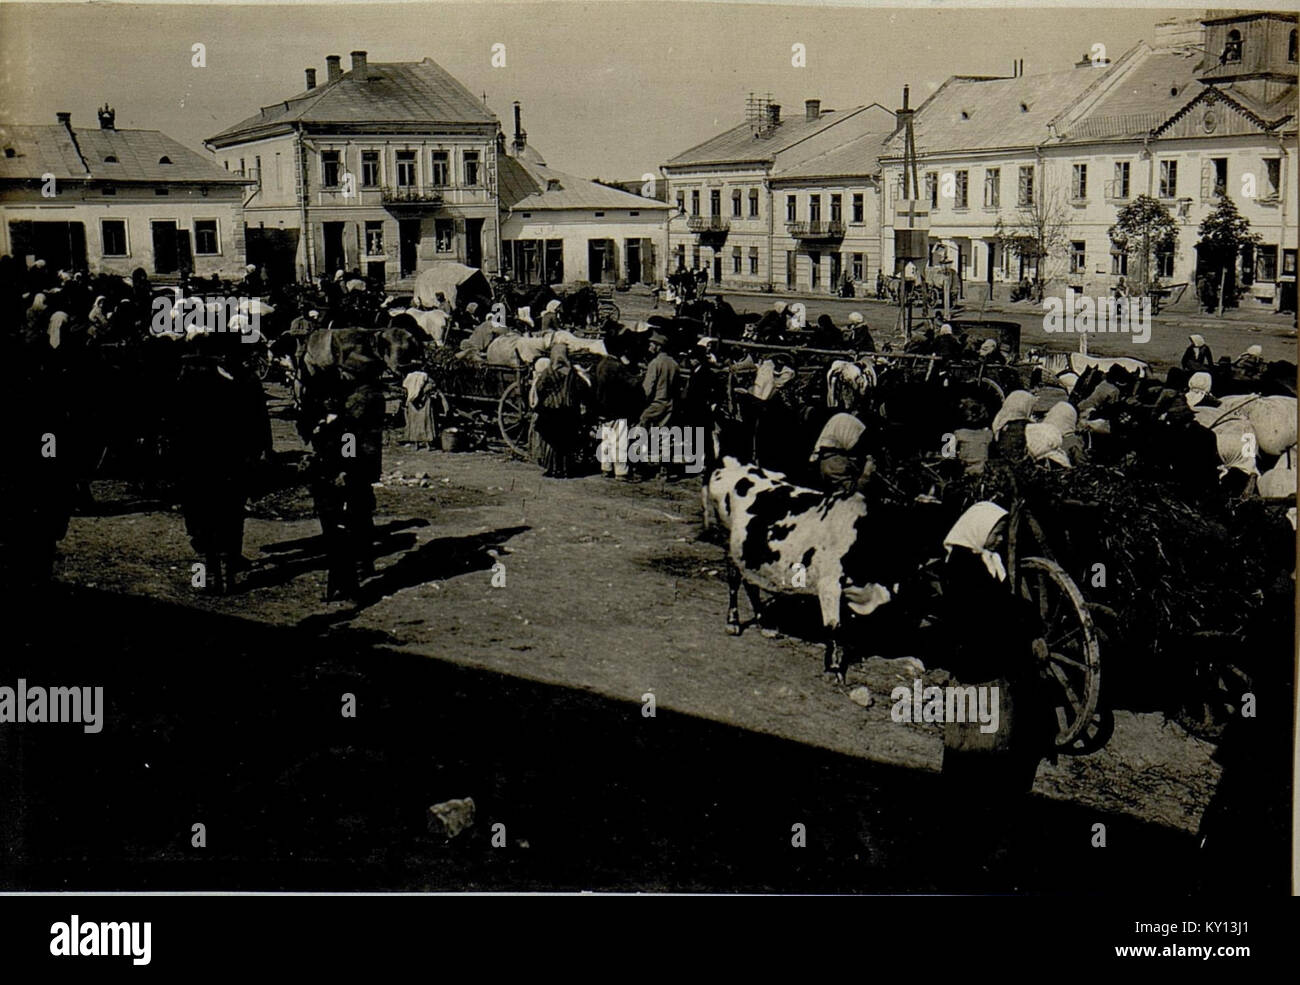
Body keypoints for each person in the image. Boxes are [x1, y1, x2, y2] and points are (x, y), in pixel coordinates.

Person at [306, 351, 386, 601]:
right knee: (359, 514)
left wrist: (343, 464)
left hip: (353, 465)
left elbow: (349, 438)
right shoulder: (371, 395)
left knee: (345, 522)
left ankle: (348, 579)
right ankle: (361, 566)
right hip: (364, 463)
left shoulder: (358, 401)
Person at [593, 331, 645, 480]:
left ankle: (606, 468)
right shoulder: (616, 366)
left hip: (603, 406)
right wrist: (641, 376)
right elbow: (631, 383)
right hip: (617, 408)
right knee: (620, 441)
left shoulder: (601, 364)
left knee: (606, 440)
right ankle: (621, 471)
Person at [533, 343, 587, 478]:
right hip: (568, 413)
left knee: (553, 442)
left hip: (551, 412)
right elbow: (582, 389)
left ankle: (553, 469)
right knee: (567, 442)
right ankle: (566, 470)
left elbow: (539, 388)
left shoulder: (548, 372)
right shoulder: (572, 373)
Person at [401, 368, 442, 450]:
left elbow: (405, 390)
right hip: (424, 403)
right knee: (425, 423)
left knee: (415, 423)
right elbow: (432, 387)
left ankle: (417, 444)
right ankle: (427, 444)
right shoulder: (426, 378)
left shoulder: (409, 378)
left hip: (413, 403)